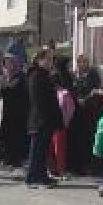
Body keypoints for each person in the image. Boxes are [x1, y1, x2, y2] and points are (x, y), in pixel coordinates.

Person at [25, 49, 61, 189]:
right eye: (48, 59)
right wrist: (44, 117)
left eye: (52, 59)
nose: (50, 62)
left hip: (46, 119)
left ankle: (41, 175)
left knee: (43, 150)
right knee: (37, 150)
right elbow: (38, 100)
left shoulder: (44, 75)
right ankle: (32, 177)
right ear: (39, 60)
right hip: (40, 119)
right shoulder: (36, 75)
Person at [68, 54, 103, 175]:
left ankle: (90, 165)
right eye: (80, 62)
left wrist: (87, 97)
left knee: (88, 139)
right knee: (78, 139)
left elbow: (95, 90)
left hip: (89, 112)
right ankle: (77, 166)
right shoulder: (74, 76)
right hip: (77, 112)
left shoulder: (93, 75)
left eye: (85, 62)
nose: (82, 65)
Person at [0, 53, 30, 171]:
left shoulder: (20, 76)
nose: (8, 65)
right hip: (7, 111)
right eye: (6, 63)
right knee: (6, 134)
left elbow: (12, 89)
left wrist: (1, 88)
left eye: (10, 62)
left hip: (19, 112)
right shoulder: (5, 76)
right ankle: (6, 158)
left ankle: (16, 159)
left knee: (16, 136)